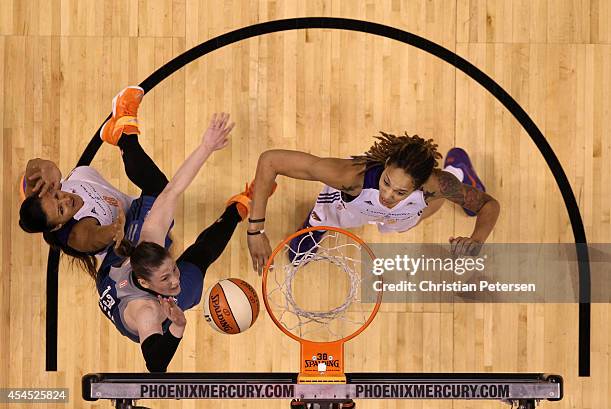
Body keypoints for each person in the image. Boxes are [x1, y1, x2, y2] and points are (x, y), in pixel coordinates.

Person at [97, 113, 266, 373]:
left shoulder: (150, 236)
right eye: (166, 279)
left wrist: (207, 146)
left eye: (173, 270)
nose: (175, 281)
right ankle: (237, 209)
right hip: (140, 304)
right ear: (145, 283)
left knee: (159, 193)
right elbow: (155, 364)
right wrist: (177, 326)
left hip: (117, 271)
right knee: (199, 262)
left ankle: (121, 135)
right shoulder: (147, 312)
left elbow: (173, 190)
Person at [246, 132, 500, 273]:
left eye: (400, 192)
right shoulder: (350, 177)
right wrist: (256, 229)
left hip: (400, 217)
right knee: (325, 216)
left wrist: (476, 240)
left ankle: (457, 170)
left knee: (422, 210)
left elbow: (489, 205)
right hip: (347, 206)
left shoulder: (435, 185)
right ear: (386, 164)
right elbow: (270, 161)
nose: (388, 195)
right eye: (387, 182)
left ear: (420, 184)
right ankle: (316, 228)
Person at [18, 86, 170, 278]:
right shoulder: (77, 235)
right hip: (125, 220)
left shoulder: (42, 197)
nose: (65, 200)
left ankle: (124, 131)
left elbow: (32, 168)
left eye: (57, 196)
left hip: (85, 180)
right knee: (164, 195)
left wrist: (43, 164)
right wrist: (115, 230)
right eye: (61, 210)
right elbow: (94, 236)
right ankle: (117, 134)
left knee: (162, 195)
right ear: (57, 225)